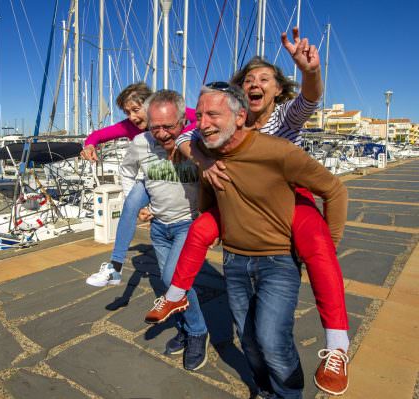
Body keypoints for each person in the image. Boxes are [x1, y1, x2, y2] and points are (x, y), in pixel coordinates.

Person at [149, 28, 351, 395]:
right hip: (241, 209)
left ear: (277, 90)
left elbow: (310, 98)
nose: (255, 83)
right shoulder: (224, 126)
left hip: (289, 201)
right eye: (248, 79)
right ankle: (176, 295)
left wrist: (309, 71)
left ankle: (336, 348)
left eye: (265, 79)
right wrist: (204, 161)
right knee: (201, 233)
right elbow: (182, 138)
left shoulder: (284, 120)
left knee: (320, 252)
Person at [82, 83, 224, 287]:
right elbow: (99, 135)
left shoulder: (173, 116)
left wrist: (181, 140)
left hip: (178, 179)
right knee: (130, 204)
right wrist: (90, 144)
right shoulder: (130, 128)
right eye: (127, 112)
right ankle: (116, 265)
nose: (131, 117)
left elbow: (202, 119)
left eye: (135, 110)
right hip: (154, 176)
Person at [121, 89, 210, 371]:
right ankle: (184, 328)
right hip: (159, 228)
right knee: (172, 283)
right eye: (155, 126)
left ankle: (197, 331)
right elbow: (125, 171)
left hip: (188, 224)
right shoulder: (140, 143)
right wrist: (135, 205)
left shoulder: (196, 143)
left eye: (168, 127)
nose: (161, 134)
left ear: (183, 120)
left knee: (175, 279)